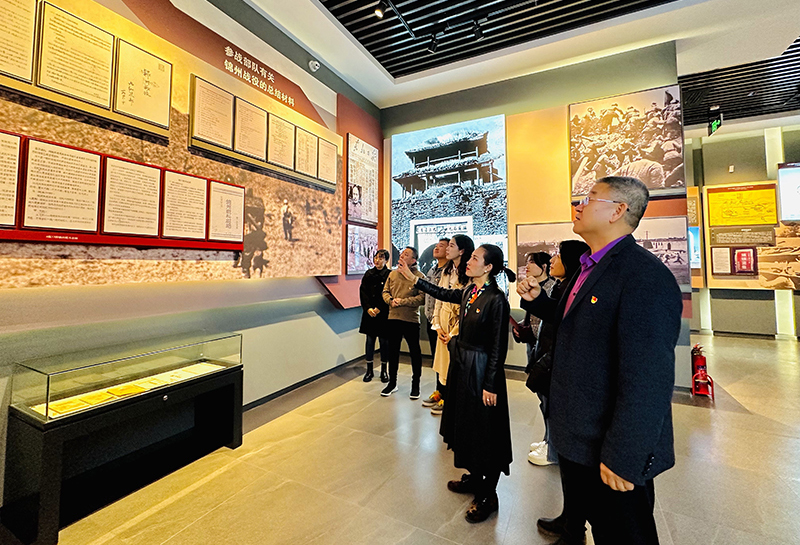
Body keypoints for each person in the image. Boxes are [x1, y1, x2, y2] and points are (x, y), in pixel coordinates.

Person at [517, 176, 682, 545]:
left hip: (609, 444)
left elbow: (649, 377)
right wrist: (538, 302)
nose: (578, 206)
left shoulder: (643, 276)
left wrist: (625, 454)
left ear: (618, 211)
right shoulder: (588, 267)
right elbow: (574, 323)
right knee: (593, 519)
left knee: (623, 534)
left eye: (590, 198)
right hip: (578, 434)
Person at [397, 244, 515, 523]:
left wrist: (491, 384)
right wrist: (414, 279)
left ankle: (488, 495)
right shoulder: (470, 291)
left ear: (488, 267)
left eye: (474, 258)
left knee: (485, 433)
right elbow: (443, 293)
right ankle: (474, 477)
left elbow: (498, 346)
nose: (469, 261)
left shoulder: (496, 299)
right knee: (467, 426)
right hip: (463, 366)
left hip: (482, 371)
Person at [526, 241, 588, 472]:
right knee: (545, 404)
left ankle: (553, 450)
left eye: (558, 256)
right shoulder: (561, 287)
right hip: (545, 353)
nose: (553, 260)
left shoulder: (571, 289)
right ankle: (549, 441)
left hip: (554, 358)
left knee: (553, 406)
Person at [425, 234, 474, 415]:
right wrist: (437, 325)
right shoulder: (446, 271)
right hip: (443, 325)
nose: (447, 249)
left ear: (462, 251)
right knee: (442, 365)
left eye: (451, 245)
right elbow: (439, 298)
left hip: (458, 328)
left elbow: (468, 306)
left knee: (456, 368)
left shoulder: (469, 273)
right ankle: (443, 395)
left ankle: (452, 401)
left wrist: (453, 332)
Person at [381, 246, 426, 398]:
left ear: (413, 260)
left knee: (415, 352)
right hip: (393, 318)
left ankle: (415, 385)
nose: (401, 256)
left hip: (411, 319)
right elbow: (385, 291)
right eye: (402, 253)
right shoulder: (393, 274)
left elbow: (422, 298)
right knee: (392, 352)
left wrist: (403, 301)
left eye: (406, 254)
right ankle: (392, 383)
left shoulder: (419, 276)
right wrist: (390, 300)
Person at [421, 238, 449, 408]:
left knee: (446, 361)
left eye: (442, 246)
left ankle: (447, 396)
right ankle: (439, 392)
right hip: (431, 319)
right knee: (437, 359)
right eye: (436, 245)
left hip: (444, 323)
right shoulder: (432, 270)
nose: (436, 248)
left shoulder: (450, 271)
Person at [359, 249, 391, 383]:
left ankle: (384, 370)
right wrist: (368, 308)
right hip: (369, 313)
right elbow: (363, 292)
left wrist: (379, 308)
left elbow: (389, 293)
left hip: (383, 313)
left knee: (384, 342)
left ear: (386, 260)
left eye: (381, 258)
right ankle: (369, 370)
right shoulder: (368, 273)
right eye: (376, 258)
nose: (377, 260)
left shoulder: (390, 274)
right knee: (370, 341)